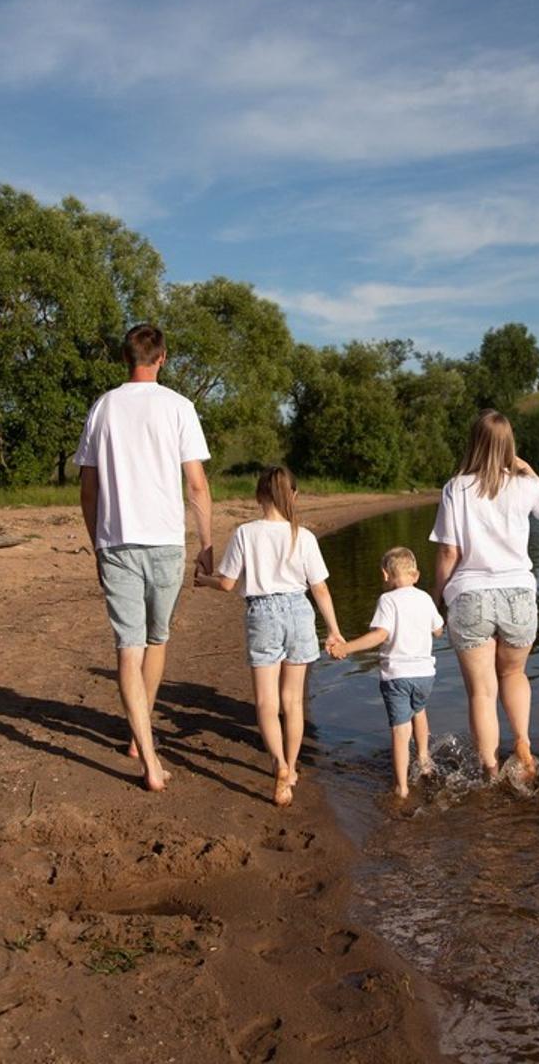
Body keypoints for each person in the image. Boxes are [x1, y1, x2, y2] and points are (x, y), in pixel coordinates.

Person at [74, 323, 214, 792]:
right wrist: (206, 546)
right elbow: (196, 485)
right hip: (166, 542)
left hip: (116, 542)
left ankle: (146, 753)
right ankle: (143, 742)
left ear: (126, 358)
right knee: (157, 639)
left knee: (128, 647)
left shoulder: (103, 406)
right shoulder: (179, 407)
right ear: (163, 358)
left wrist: (97, 543)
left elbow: (88, 489)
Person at [197, 465, 343, 806]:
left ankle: (278, 763)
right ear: (294, 496)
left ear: (258, 495)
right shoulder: (302, 536)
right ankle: (290, 770)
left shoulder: (246, 533)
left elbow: (227, 583)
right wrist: (334, 630)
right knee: (293, 702)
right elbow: (320, 589)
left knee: (266, 702)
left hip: (262, 614)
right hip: (300, 613)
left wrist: (202, 579)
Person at [430, 409, 539, 781]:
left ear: (474, 442)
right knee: (514, 673)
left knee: (482, 693)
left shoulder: (456, 487)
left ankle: (489, 772)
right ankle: (523, 743)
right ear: (508, 445)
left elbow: (449, 552)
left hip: (471, 596)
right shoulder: (524, 485)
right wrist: (525, 466)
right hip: (519, 595)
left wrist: (436, 598)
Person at [327, 546, 444, 800]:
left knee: (400, 730)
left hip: (397, 675)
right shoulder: (425, 598)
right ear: (416, 575)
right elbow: (438, 630)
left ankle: (402, 787)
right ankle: (424, 759)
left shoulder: (387, 600)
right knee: (419, 710)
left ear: (385, 575)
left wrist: (346, 647)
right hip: (425, 675)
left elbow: (380, 635)